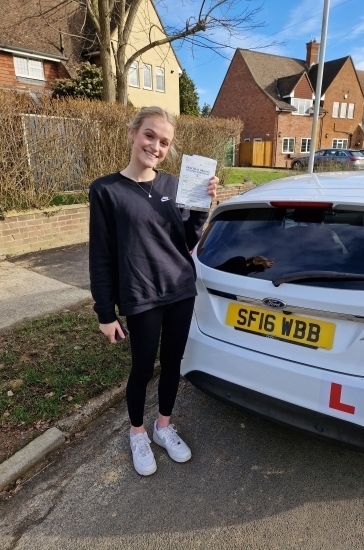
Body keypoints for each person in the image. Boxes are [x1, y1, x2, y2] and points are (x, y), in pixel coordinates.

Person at [89, 106, 218, 476]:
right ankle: (137, 433)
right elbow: (101, 254)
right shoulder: (106, 190)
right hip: (141, 294)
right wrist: (105, 312)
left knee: (173, 364)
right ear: (133, 133)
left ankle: (163, 426)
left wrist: (201, 209)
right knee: (142, 368)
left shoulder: (175, 185)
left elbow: (186, 239)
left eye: (164, 142)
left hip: (180, 289)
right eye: (150, 135)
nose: (156, 146)